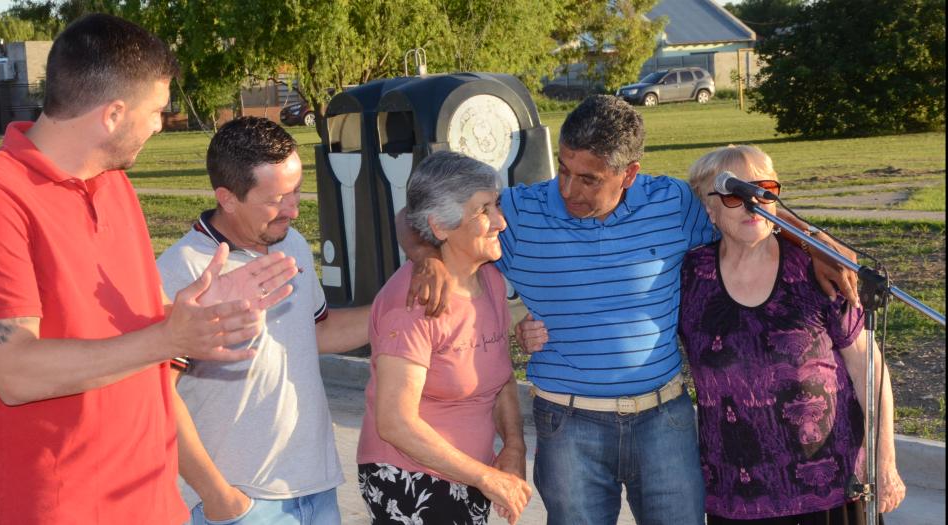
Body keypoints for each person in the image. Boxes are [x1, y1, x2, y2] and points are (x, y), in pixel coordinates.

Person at [399, 95, 860, 525]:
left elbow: (750, 217)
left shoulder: (674, 203)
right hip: (568, 425)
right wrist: (427, 258)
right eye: (563, 169)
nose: (568, 190)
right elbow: (414, 214)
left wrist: (812, 239)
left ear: (629, 173)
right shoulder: (520, 210)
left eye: (589, 179)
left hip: (665, 421)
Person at [0, 14, 298, 525]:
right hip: (51, 509)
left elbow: (122, 322)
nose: (160, 123)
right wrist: (169, 337)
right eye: (156, 110)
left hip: (150, 502)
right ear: (113, 114)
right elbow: (12, 371)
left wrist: (195, 314)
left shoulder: (113, 185)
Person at [156, 116, 371, 525]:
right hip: (241, 502)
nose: (293, 209)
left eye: (297, 192)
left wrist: (399, 306)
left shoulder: (289, 244)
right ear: (228, 197)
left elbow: (317, 333)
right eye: (277, 199)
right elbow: (157, 397)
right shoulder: (182, 272)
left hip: (315, 487)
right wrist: (219, 496)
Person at [679, 145, 905, 524]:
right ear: (710, 209)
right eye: (736, 193)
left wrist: (885, 461)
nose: (753, 203)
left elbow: (869, 367)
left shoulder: (818, 270)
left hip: (831, 489)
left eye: (764, 189)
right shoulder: (690, 278)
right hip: (738, 496)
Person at [357, 152, 532, 525]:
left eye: (496, 204)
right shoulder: (415, 301)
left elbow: (501, 380)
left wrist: (514, 447)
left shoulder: (491, 282)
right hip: (409, 482)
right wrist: (486, 477)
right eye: (483, 210)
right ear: (440, 227)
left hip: (467, 478)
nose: (500, 221)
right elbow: (395, 422)